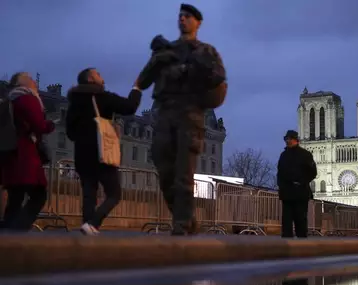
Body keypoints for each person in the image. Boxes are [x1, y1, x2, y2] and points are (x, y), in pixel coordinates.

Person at [136, 3, 227, 235]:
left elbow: (218, 78)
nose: (183, 20)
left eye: (188, 17)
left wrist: (189, 69)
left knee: (184, 173)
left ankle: (181, 226)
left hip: (190, 115)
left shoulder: (205, 51)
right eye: (180, 16)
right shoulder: (167, 50)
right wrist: (157, 59)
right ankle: (186, 219)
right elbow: (145, 80)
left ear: (198, 22)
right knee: (164, 170)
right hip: (165, 114)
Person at [66, 68, 142, 235]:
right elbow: (129, 107)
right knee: (114, 194)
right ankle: (94, 223)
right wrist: (136, 88)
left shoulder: (74, 102)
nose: (102, 78)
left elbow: (70, 133)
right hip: (102, 153)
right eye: (99, 74)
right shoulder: (102, 97)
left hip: (82, 155)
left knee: (89, 194)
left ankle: (87, 225)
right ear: (91, 78)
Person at [0, 72, 56, 231]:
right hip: (25, 157)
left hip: (11, 156)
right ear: (21, 83)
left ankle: (7, 235)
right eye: (29, 78)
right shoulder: (27, 99)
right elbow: (39, 125)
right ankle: (18, 230)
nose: (33, 80)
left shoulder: (10, 100)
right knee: (39, 196)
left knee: (15, 198)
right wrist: (49, 125)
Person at [277, 130, 317, 238]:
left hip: (300, 192)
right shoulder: (283, 155)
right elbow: (279, 172)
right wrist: (281, 186)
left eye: (290, 139)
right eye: (286, 139)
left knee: (300, 219)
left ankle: (302, 242)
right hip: (287, 192)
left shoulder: (305, 155)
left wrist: (301, 182)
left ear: (296, 140)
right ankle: (286, 241)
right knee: (286, 219)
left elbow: (313, 172)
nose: (287, 141)